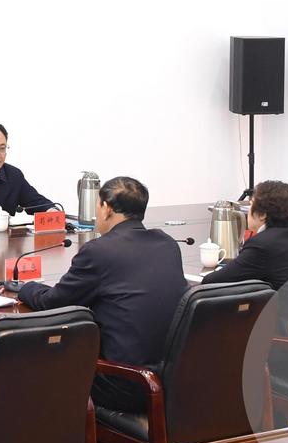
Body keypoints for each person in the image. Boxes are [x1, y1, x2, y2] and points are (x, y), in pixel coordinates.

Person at [12, 176, 185, 413]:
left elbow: (54, 303)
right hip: (171, 380)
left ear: (106, 208)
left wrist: (25, 287)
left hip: (125, 383)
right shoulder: (167, 244)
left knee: (42, 362)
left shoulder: (100, 251)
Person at [203, 180, 288, 290]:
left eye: (251, 204)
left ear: (262, 214)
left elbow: (212, 281)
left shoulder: (263, 244)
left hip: (285, 308)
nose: (248, 210)